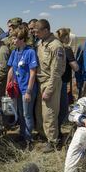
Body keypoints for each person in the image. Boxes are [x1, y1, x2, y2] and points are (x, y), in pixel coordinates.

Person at [35, 19, 66, 153]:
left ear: (46, 30)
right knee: (40, 113)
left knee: (49, 114)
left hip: (50, 83)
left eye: (38, 31)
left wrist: (49, 90)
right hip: (40, 82)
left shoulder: (56, 46)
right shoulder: (41, 43)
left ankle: (53, 142)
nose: (36, 34)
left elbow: (56, 71)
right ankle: (44, 135)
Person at [6, 25, 38, 149]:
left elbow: (33, 72)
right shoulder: (15, 52)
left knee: (27, 114)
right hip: (17, 88)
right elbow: (11, 69)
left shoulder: (30, 52)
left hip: (26, 88)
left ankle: (29, 139)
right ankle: (22, 133)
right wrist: (8, 85)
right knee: (19, 112)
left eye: (14, 38)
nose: (13, 41)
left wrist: (29, 91)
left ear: (22, 39)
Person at [55, 28, 79, 140]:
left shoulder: (53, 47)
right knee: (63, 108)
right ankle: (57, 132)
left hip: (53, 81)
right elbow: (75, 66)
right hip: (63, 81)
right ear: (66, 37)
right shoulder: (66, 49)